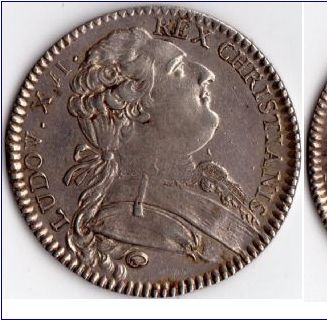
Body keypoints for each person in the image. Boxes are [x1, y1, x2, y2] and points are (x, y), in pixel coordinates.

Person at [63, 28, 260, 279]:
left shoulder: (206, 180)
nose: (206, 73)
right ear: (138, 108)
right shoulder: (132, 217)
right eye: (177, 69)